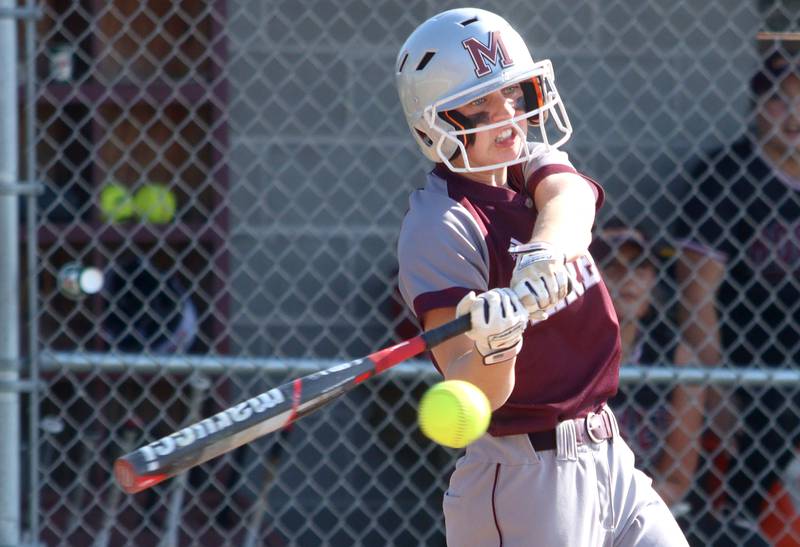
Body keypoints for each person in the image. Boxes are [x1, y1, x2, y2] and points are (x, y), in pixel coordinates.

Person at [394, 8, 688, 546]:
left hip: (608, 452)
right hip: (525, 477)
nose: (507, 115)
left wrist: (540, 257)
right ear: (433, 126)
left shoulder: (531, 166)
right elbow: (472, 393)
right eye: (481, 105)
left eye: (512, 95)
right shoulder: (440, 224)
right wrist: (498, 343)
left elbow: (572, 202)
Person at [669, 34, 800, 545]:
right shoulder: (727, 177)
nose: (792, 114)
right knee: (772, 416)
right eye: (778, 98)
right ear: (755, 107)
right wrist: (716, 381)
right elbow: (697, 296)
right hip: (753, 358)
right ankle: (743, 518)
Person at [593, 223, 769, 546]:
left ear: (652, 281)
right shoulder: (571, 355)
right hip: (586, 507)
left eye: (639, 268)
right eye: (614, 268)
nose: (629, 279)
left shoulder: (676, 356)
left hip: (655, 505)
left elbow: (676, 478)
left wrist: (632, 520)